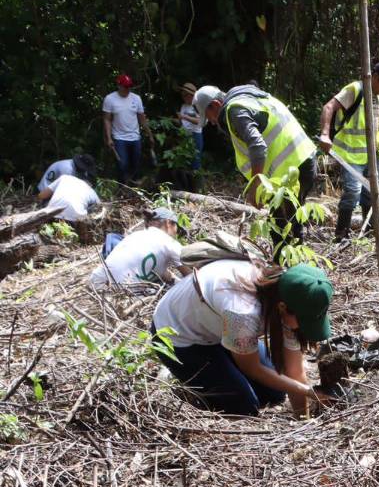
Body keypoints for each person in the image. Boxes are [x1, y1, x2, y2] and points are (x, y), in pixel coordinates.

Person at [152, 259, 334, 417]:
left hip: (220, 330)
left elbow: (295, 373)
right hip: (179, 337)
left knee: (276, 393)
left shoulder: (285, 294)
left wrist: (302, 418)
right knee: (244, 406)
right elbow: (251, 368)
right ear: (282, 307)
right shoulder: (242, 312)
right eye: (303, 321)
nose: (302, 328)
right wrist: (308, 392)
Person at [192, 84, 317, 257]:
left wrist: (255, 187)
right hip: (302, 160)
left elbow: (257, 146)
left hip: (292, 170)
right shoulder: (251, 98)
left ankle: (287, 272)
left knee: (280, 227)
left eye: (209, 116)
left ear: (215, 104)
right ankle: (292, 269)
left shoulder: (234, 111)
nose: (213, 122)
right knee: (288, 224)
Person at [316, 63, 379, 240]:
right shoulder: (355, 89)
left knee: (371, 195)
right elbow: (328, 107)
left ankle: (368, 233)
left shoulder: (378, 98)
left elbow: (378, 128)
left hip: (372, 156)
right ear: (375, 77)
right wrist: (324, 134)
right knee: (352, 193)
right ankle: (341, 235)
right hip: (351, 156)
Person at [89, 207, 182, 290]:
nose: (176, 234)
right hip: (125, 293)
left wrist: (175, 281)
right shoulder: (170, 242)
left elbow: (162, 272)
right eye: (177, 228)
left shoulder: (135, 236)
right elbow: (193, 277)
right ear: (168, 223)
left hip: (96, 284)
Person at [103, 74, 153, 184]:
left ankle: (134, 187)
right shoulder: (110, 99)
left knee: (136, 163)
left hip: (135, 136)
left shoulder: (136, 98)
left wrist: (149, 134)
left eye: (129, 86)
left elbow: (142, 118)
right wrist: (109, 137)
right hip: (119, 137)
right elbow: (107, 119)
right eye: (125, 86)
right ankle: (122, 187)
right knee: (122, 164)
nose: (127, 89)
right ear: (119, 86)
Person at [36, 173, 100, 224]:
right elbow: (100, 209)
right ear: (91, 185)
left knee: (47, 198)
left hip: (52, 215)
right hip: (75, 221)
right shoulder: (92, 192)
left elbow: (41, 196)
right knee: (91, 207)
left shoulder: (65, 177)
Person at [177, 83, 204, 171]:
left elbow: (199, 121)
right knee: (186, 159)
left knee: (195, 159)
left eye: (185, 95)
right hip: (185, 134)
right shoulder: (183, 106)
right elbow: (181, 122)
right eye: (182, 95)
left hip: (195, 135)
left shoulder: (197, 106)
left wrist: (185, 117)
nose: (183, 97)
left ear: (190, 95)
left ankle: (197, 180)